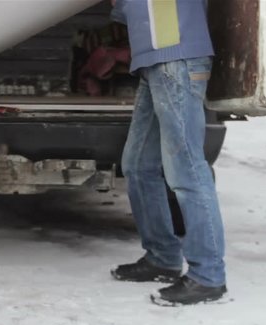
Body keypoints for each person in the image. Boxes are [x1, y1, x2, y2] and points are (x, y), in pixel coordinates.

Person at [109, 0, 228, 306]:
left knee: (185, 167)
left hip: (178, 56)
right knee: (137, 164)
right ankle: (162, 258)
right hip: (154, 61)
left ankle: (208, 276)